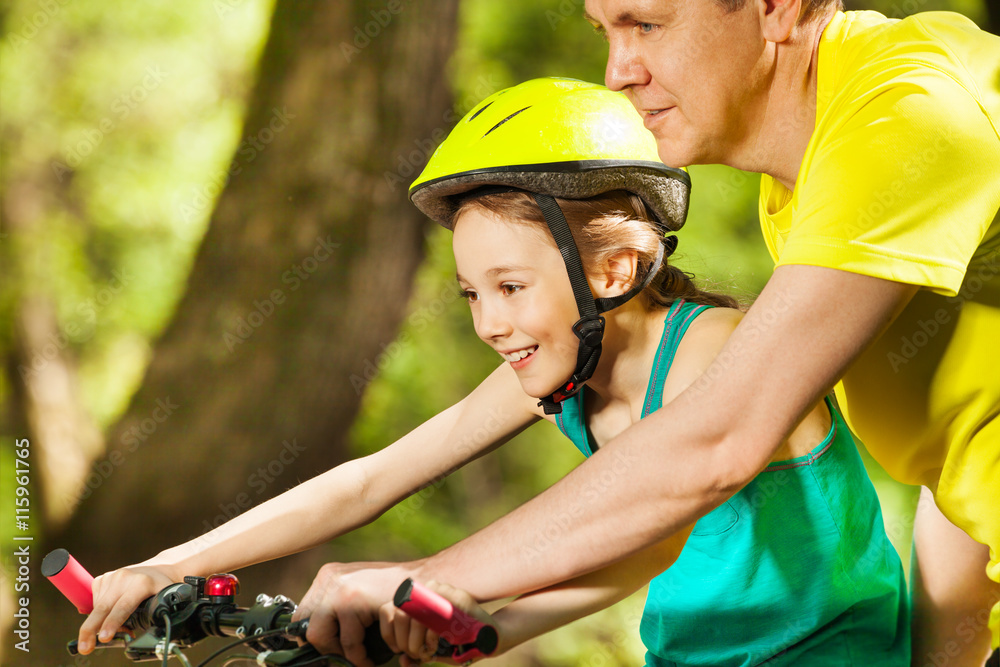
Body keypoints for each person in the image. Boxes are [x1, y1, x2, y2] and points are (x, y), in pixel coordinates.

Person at [77, 79, 910, 665]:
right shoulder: (555, 371)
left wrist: (455, 591)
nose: (490, 322)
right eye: (473, 292)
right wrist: (175, 561)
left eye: (512, 287)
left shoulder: (715, 352)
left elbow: (655, 527)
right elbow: (369, 482)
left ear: (614, 273)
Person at [288, 1, 1000, 665]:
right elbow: (955, 456)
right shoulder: (810, 177)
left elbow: (719, 437)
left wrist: (431, 577)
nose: (617, 71)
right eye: (607, 31)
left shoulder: (908, 115)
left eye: (645, 24)